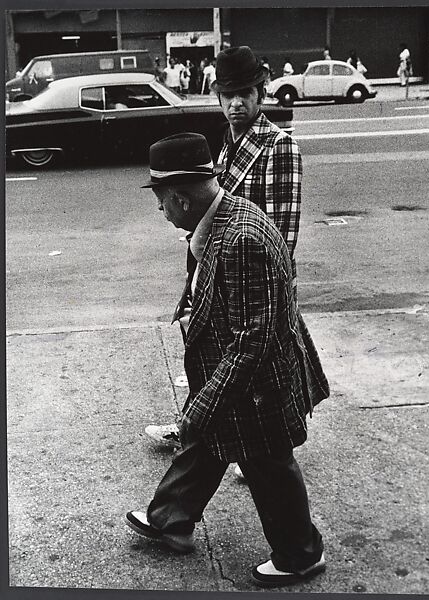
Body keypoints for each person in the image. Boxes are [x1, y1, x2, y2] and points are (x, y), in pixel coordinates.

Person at [127, 132, 330, 587]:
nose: (160, 211)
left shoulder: (240, 240)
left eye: (160, 201)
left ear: (179, 198)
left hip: (257, 386)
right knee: (208, 441)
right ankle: (170, 519)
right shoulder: (226, 217)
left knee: (267, 464)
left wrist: (204, 401)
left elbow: (252, 341)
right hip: (243, 378)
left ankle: (300, 556)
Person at [145, 46, 303, 482]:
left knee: (248, 375)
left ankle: (240, 447)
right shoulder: (228, 145)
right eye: (227, 95)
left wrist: (271, 296)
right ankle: (206, 445)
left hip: (251, 280)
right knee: (218, 367)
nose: (236, 104)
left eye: (245, 94)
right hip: (220, 273)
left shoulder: (278, 147)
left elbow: (283, 235)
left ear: (261, 92)